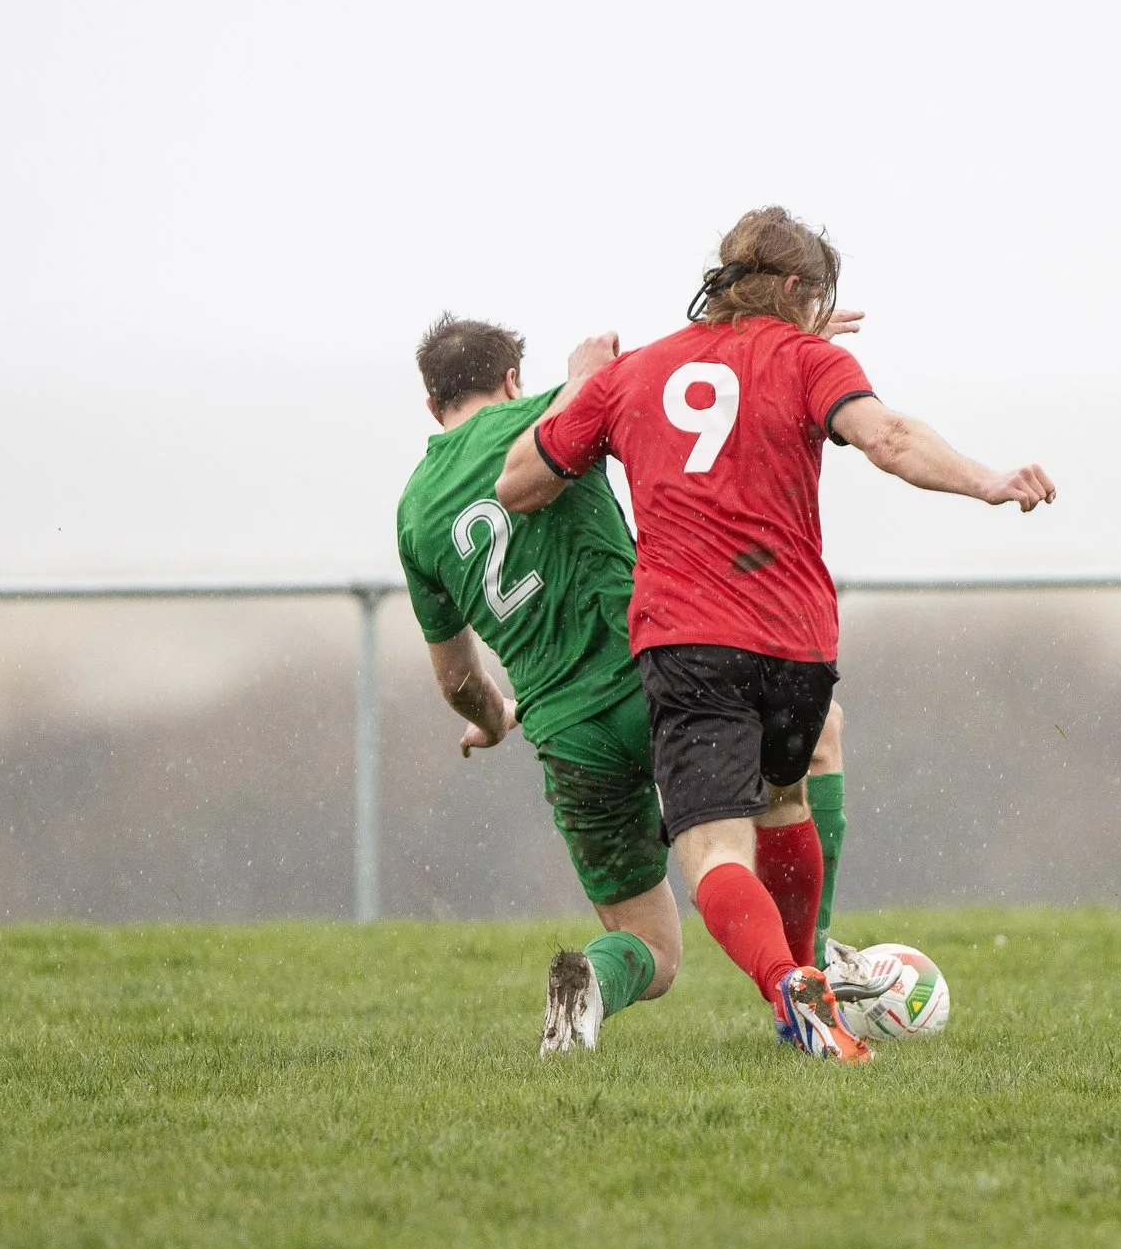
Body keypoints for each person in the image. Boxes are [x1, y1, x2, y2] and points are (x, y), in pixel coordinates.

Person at [499, 207, 1054, 1062]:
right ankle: (807, 986)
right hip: (796, 645)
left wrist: (584, 396)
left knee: (714, 849)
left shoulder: (641, 371)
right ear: (797, 289)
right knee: (785, 801)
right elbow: (891, 437)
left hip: (689, 643)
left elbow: (521, 484)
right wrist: (986, 481)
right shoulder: (810, 360)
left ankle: (786, 986)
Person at [397, 315, 868, 1054]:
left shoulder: (415, 511)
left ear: (432, 407)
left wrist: (492, 719)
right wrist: (785, 329)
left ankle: (590, 980)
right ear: (512, 380)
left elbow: (456, 678)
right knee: (814, 738)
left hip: (566, 734)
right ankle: (811, 967)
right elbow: (687, 369)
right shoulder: (554, 408)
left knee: (654, 949)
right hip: (657, 681)